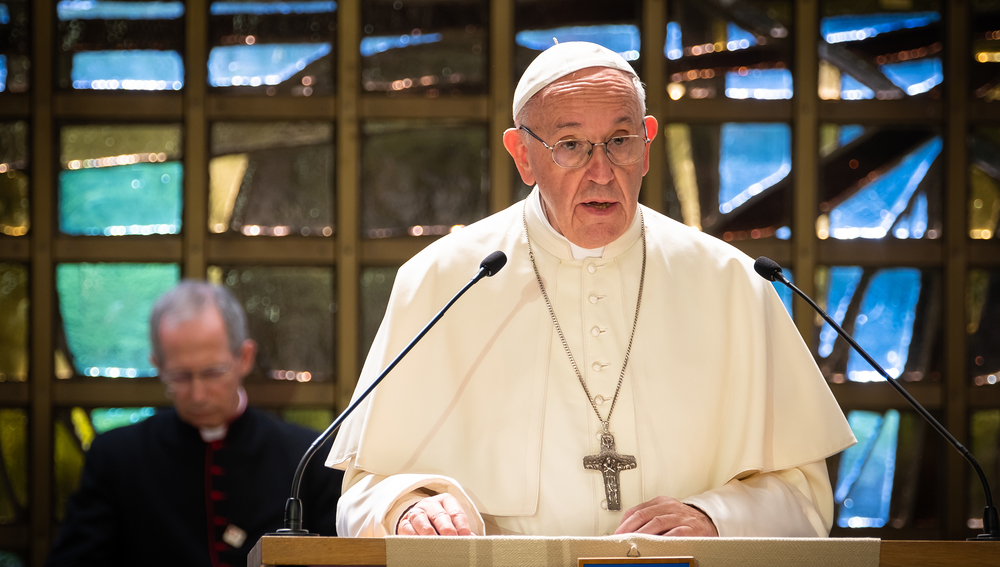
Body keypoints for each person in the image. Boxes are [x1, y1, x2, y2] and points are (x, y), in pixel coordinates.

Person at [327, 42, 856, 539]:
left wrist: (715, 519)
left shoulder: (733, 282)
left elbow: (804, 496)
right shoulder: (444, 281)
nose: (601, 172)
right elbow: (361, 494)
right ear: (522, 155)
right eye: (571, 146)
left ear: (647, 144)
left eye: (620, 141)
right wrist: (407, 509)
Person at [46, 281, 342, 567]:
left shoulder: (308, 458)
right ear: (158, 365)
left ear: (245, 357)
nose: (198, 395)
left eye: (213, 372)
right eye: (181, 377)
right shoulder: (117, 459)